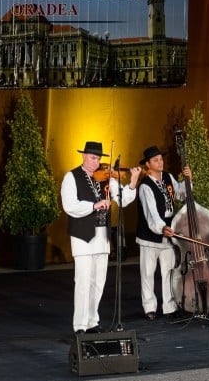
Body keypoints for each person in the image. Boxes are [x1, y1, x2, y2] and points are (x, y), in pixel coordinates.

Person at [60, 140, 141, 334]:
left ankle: (92, 321)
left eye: (98, 158)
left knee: (98, 281)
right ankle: (80, 325)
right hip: (82, 237)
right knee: (83, 281)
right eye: (92, 158)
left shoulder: (106, 177)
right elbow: (69, 206)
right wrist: (93, 206)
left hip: (102, 237)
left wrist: (132, 182)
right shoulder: (71, 177)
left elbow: (123, 200)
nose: (96, 162)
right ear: (84, 157)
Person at [135, 144, 192, 322]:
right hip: (150, 236)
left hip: (169, 232)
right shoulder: (145, 185)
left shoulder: (167, 177)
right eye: (156, 160)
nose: (160, 162)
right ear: (148, 165)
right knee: (148, 273)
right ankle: (149, 307)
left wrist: (188, 180)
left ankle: (169, 306)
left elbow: (181, 194)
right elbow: (150, 212)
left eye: (161, 159)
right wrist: (161, 228)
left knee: (168, 271)